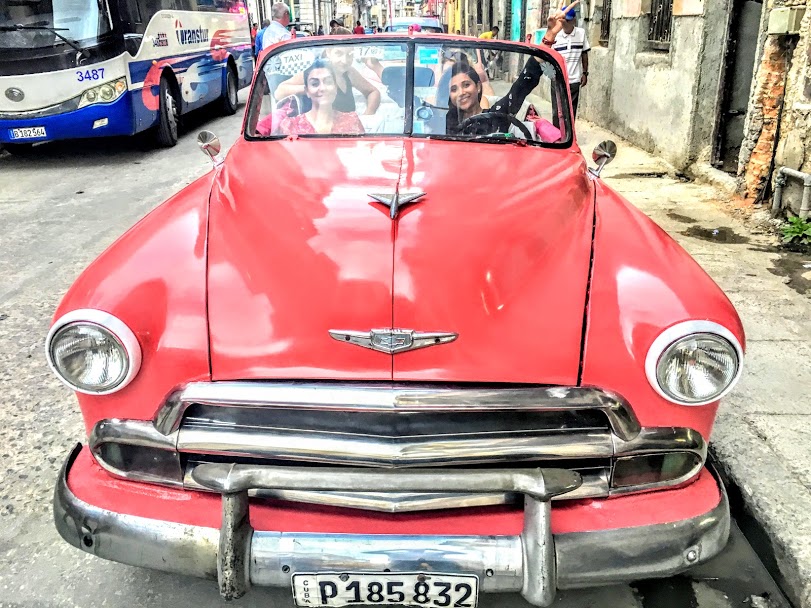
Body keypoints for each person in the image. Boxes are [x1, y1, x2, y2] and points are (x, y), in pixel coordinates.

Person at [274, 46, 381, 114]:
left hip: (348, 134)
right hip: (320, 137)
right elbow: (279, 92)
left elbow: (373, 92)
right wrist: (311, 88)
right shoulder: (317, 71)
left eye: (350, 55)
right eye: (339, 53)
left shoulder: (349, 72)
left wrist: (368, 115)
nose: (344, 60)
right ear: (329, 52)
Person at [273, 59, 365, 135]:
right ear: (307, 91)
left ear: (336, 88)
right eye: (315, 84)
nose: (323, 88)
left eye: (328, 82)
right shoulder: (290, 126)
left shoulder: (352, 121)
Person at [550, 4, 589, 117]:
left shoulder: (581, 34)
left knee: (570, 113)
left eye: (567, 21)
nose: (564, 23)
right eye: (563, 21)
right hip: (557, 80)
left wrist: (585, 73)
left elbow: (584, 54)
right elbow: (549, 57)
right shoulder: (555, 35)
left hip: (573, 81)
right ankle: (557, 135)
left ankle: (569, 135)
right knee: (557, 112)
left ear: (573, 21)